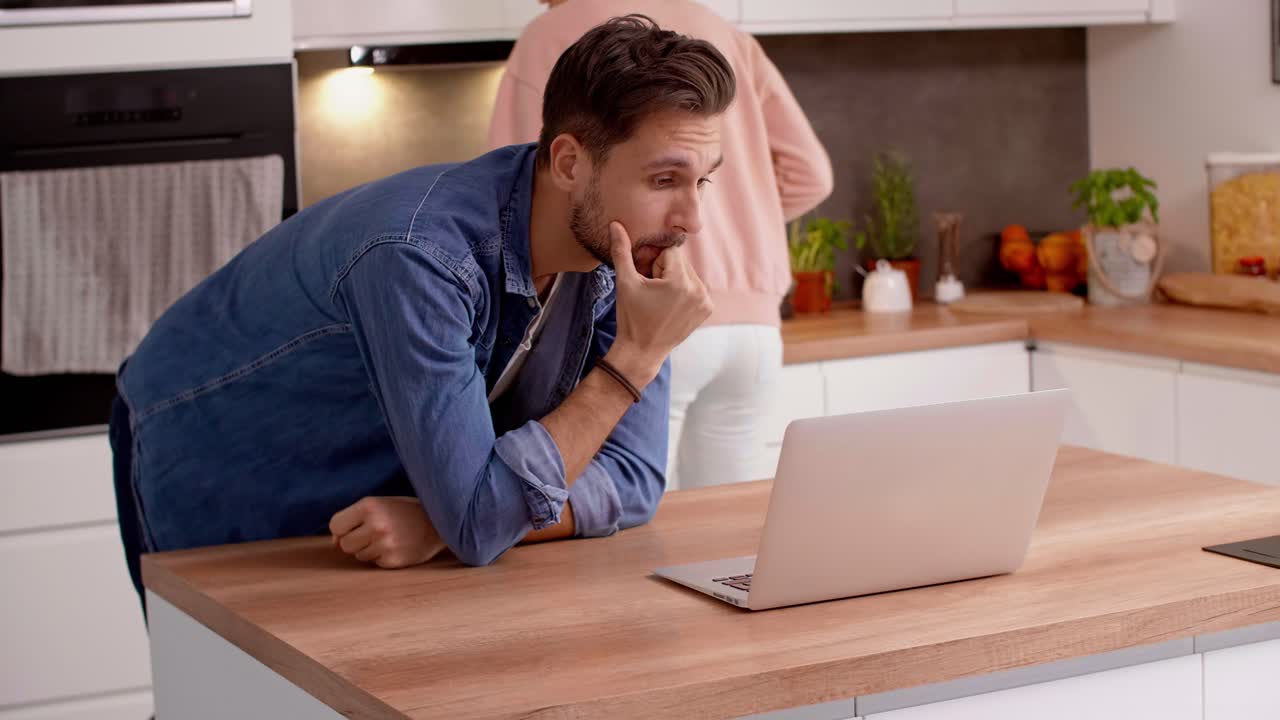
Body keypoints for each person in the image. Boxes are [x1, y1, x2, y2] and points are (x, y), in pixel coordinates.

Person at [109, 15, 735, 609]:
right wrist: (634, 360)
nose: (692, 221)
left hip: (381, 497)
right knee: (226, 675)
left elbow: (632, 479)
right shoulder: (420, 255)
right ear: (570, 163)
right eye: (664, 181)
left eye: (703, 181)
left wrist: (445, 523)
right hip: (219, 449)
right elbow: (481, 522)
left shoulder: (622, 258)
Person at [489, 0, 833, 490]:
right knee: (725, 517)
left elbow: (519, 191)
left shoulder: (550, 36)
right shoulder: (723, 32)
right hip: (754, 332)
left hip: (640, 318)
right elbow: (810, 174)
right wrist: (739, 227)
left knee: (631, 512)